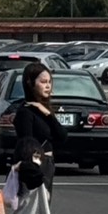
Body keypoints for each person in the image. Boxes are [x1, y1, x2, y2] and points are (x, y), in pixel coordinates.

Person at [11, 63, 68, 192]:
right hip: (34, 167)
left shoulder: (43, 110)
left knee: (44, 203)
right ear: (30, 83)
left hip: (47, 164)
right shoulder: (25, 112)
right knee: (33, 203)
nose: (48, 86)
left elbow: (62, 136)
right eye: (43, 82)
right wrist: (31, 169)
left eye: (49, 82)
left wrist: (48, 114)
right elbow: (26, 144)